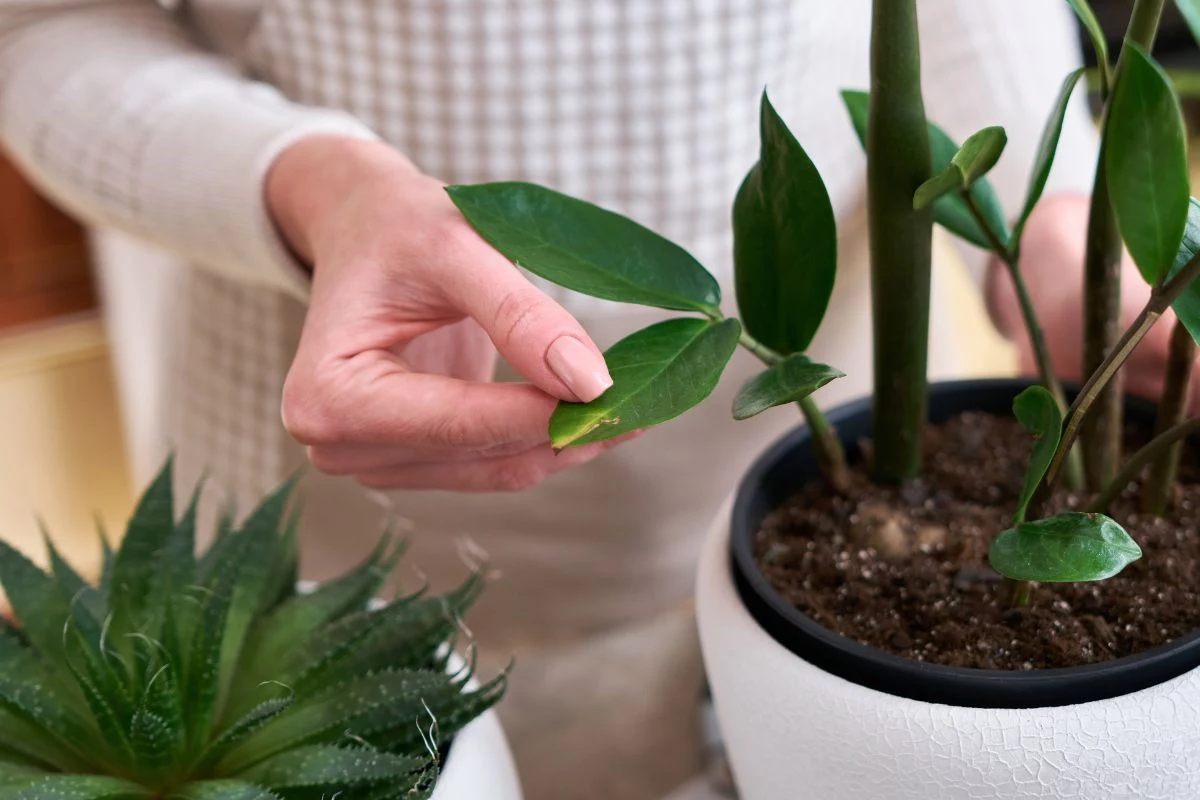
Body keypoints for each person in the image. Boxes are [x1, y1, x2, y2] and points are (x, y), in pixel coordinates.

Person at [0, 2, 1177, 798]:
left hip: (792, 482)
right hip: (327, 526)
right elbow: (44, 29)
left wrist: (1057, 205)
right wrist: (315, 186)